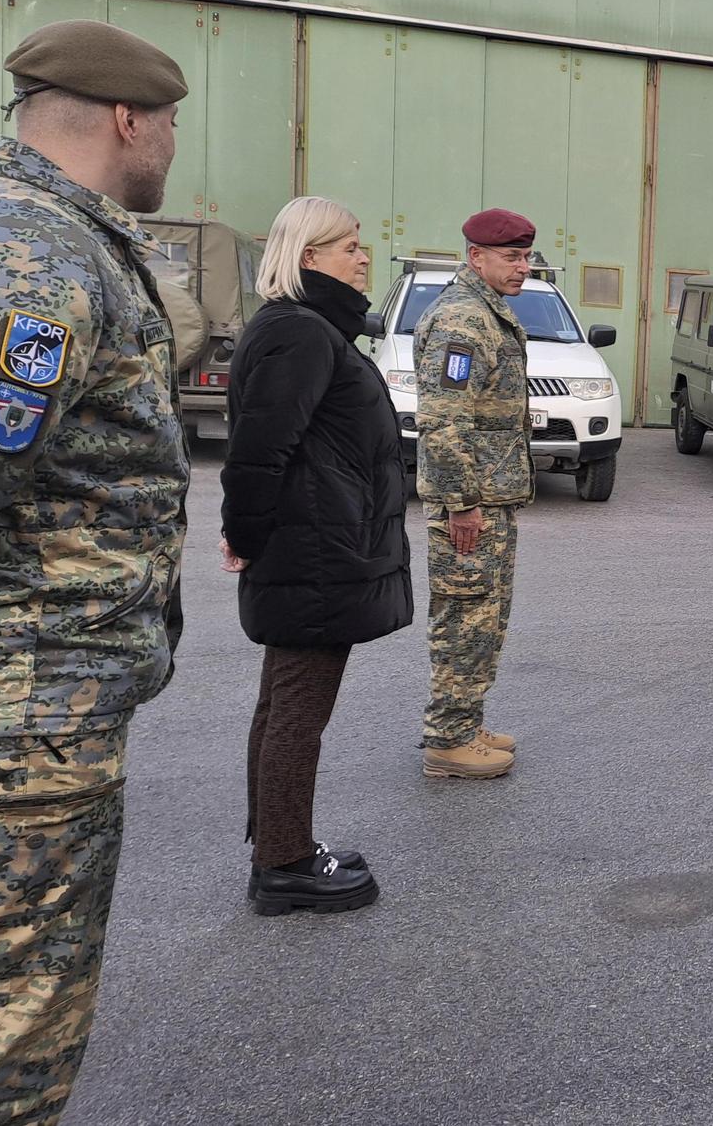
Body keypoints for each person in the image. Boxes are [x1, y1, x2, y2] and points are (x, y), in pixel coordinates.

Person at [0, 20, 189, 1122]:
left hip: (14, 714)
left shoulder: (19, 232)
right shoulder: (26, 253)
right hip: (8, 724)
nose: (170, 145)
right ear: (128, 119)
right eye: (168, 124)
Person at [220, 196, 411, 915]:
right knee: (298, 709)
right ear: (309, 257)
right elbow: (257, 452)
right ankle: (285, 864)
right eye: (349, 246)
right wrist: (244, 535)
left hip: (317, 548)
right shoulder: (300, 332)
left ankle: (278, 844)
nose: (363, 258)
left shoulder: (309, 328)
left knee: (283, 701)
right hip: (317, 553)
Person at [416, 209, 538, 779]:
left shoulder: (487, 312)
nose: (523, 267)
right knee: (465, 617)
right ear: (475, 257)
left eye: (526, 257)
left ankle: (466, 722)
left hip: (491, 497)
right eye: (511, 257)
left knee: (484, 616)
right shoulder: (462, 321)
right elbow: (443, 419)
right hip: (472, 503)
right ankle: (448, 740)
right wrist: (461, 503)